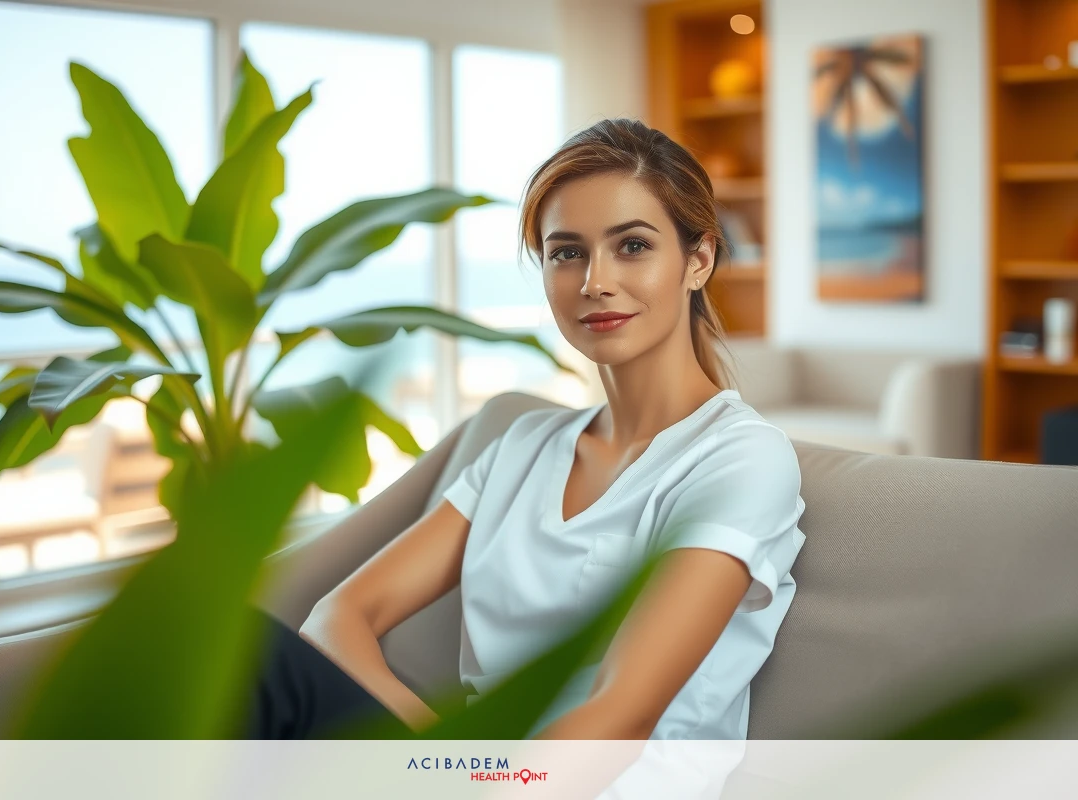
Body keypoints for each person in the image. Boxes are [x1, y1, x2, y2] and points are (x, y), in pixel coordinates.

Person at [241, 118, 807, 741]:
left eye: (634, 246)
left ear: (697, 261)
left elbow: (620, 717)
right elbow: (337, 617)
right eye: (567, 253)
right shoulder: (522, 447)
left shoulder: (740, 460)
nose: (596, 281)